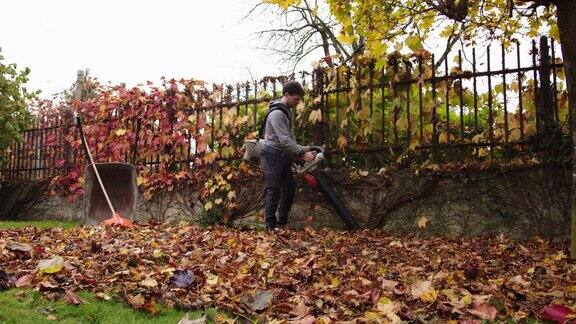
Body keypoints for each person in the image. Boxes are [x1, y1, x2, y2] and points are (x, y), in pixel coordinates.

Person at [259, 81, 315, 230]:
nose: (298, 102)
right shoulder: (277, 113)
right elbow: (284, 140)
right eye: (296, 99)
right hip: (272, 154)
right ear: (286, 95)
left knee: (289, 188)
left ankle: (282, 222)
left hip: (282, 154)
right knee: (274, 189)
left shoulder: (286, 111)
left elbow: (289, 137)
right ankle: (270, 226)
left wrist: (300, 155)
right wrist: (301, 152)